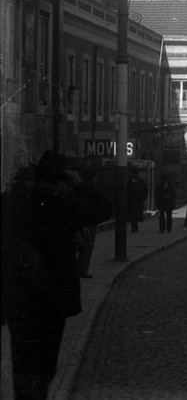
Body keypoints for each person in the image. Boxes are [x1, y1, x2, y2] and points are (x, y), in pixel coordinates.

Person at [2, 151, 112, 400]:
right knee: (46, 363)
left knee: (23, 362)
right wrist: (79, 185)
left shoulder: (10, 203)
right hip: (53, 299)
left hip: (19, 298)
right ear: (59, 180)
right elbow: (103, 209)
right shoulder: (62, 205)